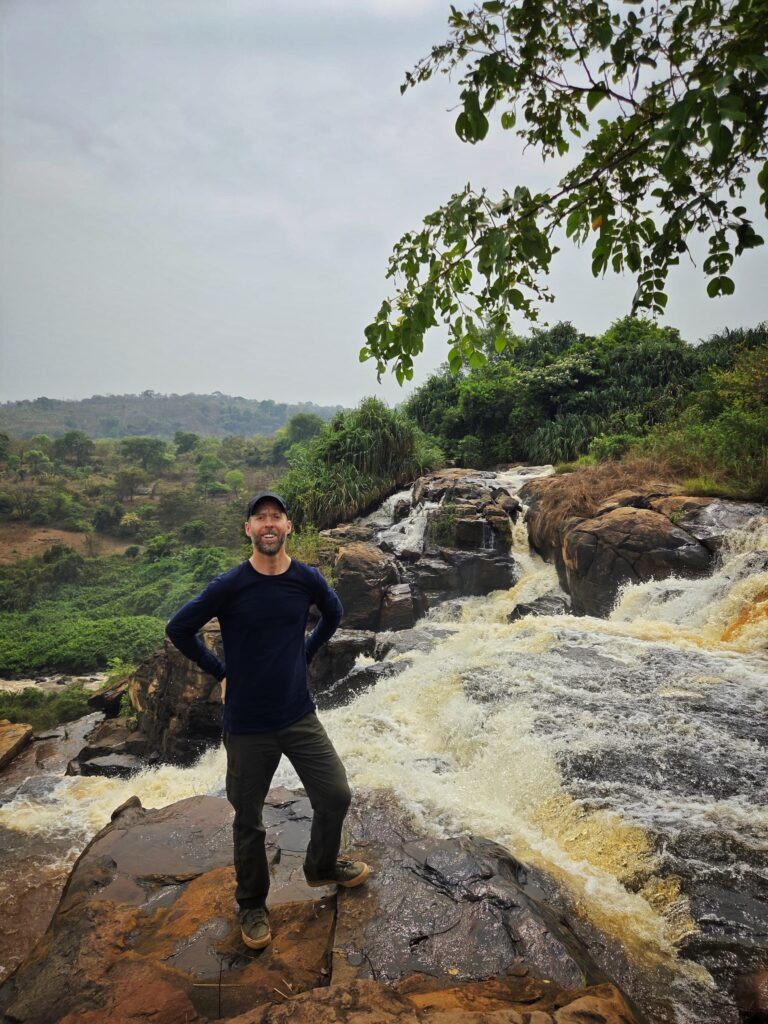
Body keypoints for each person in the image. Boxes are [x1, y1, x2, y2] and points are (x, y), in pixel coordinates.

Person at [165, 491, 368, 951]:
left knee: (335, 794)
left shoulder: (306, 578)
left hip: (298, 714)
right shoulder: (230, 585)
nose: (269, 524)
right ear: (249, 530)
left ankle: (320, 867)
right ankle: (253, 904)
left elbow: (333, 614)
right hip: (247, 725)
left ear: (288, 527)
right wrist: (222, 673)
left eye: (276, 517)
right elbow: (179, 628)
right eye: (261, 518)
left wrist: (306, 652)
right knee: (248, 819)